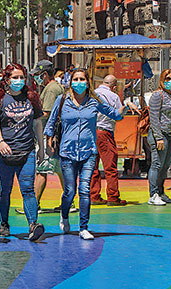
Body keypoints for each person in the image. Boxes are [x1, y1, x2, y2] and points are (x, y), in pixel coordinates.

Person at [44, 68, 133, 240]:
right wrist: (48, 142)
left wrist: (125, 107)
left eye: (82, 79)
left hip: (89, 152)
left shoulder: (94, 101)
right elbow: (52, 121)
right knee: (70, 190)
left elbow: (114, 114)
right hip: (67, 152)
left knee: (85, 190)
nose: (79, 83)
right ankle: (64, 216)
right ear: (71, 82)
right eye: (75, 79)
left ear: (87, 82)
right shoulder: (62, 100)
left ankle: (84, 227)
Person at [0, 63, 45, 240]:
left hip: (26, 150)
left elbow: (37, 123)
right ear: (7, 79)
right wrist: (0, 141)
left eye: (21, 77)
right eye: (15, 77)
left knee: (28, 189)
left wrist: (41, 147)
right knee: (5, 189)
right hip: (5, 152)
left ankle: (33, 224)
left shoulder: (31, 98)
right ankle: (4, 223)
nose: (18, 81)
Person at [147, 69, 171, 206]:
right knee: (157, 164)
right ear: (162, 80)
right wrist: (158, 138)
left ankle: (161, 192)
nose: (170, 81)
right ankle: (153, 194)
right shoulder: (158, 95)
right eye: (167, 78)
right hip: (160, 134)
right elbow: (154, 118)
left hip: (170, 134)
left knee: (165, 166)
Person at [90, 75, 129, 206]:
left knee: (93, 166)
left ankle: (93, 195)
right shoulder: (114, 96)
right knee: (110, 165)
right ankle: (113, 196)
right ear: (113, 86)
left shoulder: (93, 93)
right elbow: (118, 115)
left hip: (91, 132)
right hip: (105, 132)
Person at [32, 60, 65, 210]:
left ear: (44, 74)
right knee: (59, 170)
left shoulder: (51, 89)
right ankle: (69, 201)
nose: (36, 78)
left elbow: (48, 113)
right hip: (54, 135)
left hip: (47, 135)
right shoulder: (53, 87)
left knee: (42, 170)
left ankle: (33, 204)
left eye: (38, 75)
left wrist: (30, 116)